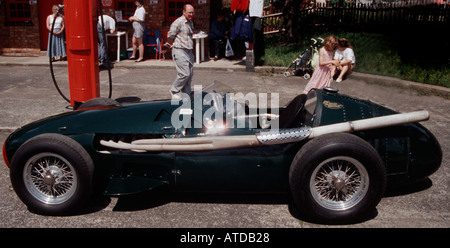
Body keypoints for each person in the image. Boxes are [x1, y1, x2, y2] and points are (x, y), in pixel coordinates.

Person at [167, 4, 195, 99]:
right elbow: (170, 36)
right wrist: (169, 45)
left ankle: (186, 95)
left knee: (189, 76)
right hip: (179, 50)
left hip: (189, 52)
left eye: (192, 12)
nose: (191, 14)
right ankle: (174, 90)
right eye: (189, 12)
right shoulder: (178, 22)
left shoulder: (190, 22)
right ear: (183, 12)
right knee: (184, 73)